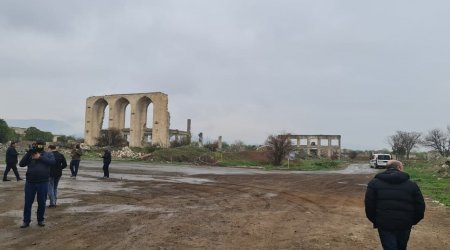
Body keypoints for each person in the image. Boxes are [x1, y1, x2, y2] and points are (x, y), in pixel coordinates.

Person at [365, 160, 426, 250]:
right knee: (402, 247)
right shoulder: (412, 184)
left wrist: (377, 220)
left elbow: (369, 205)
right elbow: (420, 205)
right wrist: (412, 221)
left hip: (384, 223)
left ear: (387, 168)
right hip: (405, 222)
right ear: (399, 168)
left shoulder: (374, 183)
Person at [18, 140, 55, 228]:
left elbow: (53, 163)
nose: (39, 146)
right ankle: (26, 221)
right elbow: (21, 164)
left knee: (42, 202)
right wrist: (29, 153)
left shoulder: (48, 154)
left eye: (41, 145)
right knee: (28, 202)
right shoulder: (30, 154)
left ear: (44, 145)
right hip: (30, 183)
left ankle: (40, 220)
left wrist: (40, 157)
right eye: (38, 145)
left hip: (43, 182)